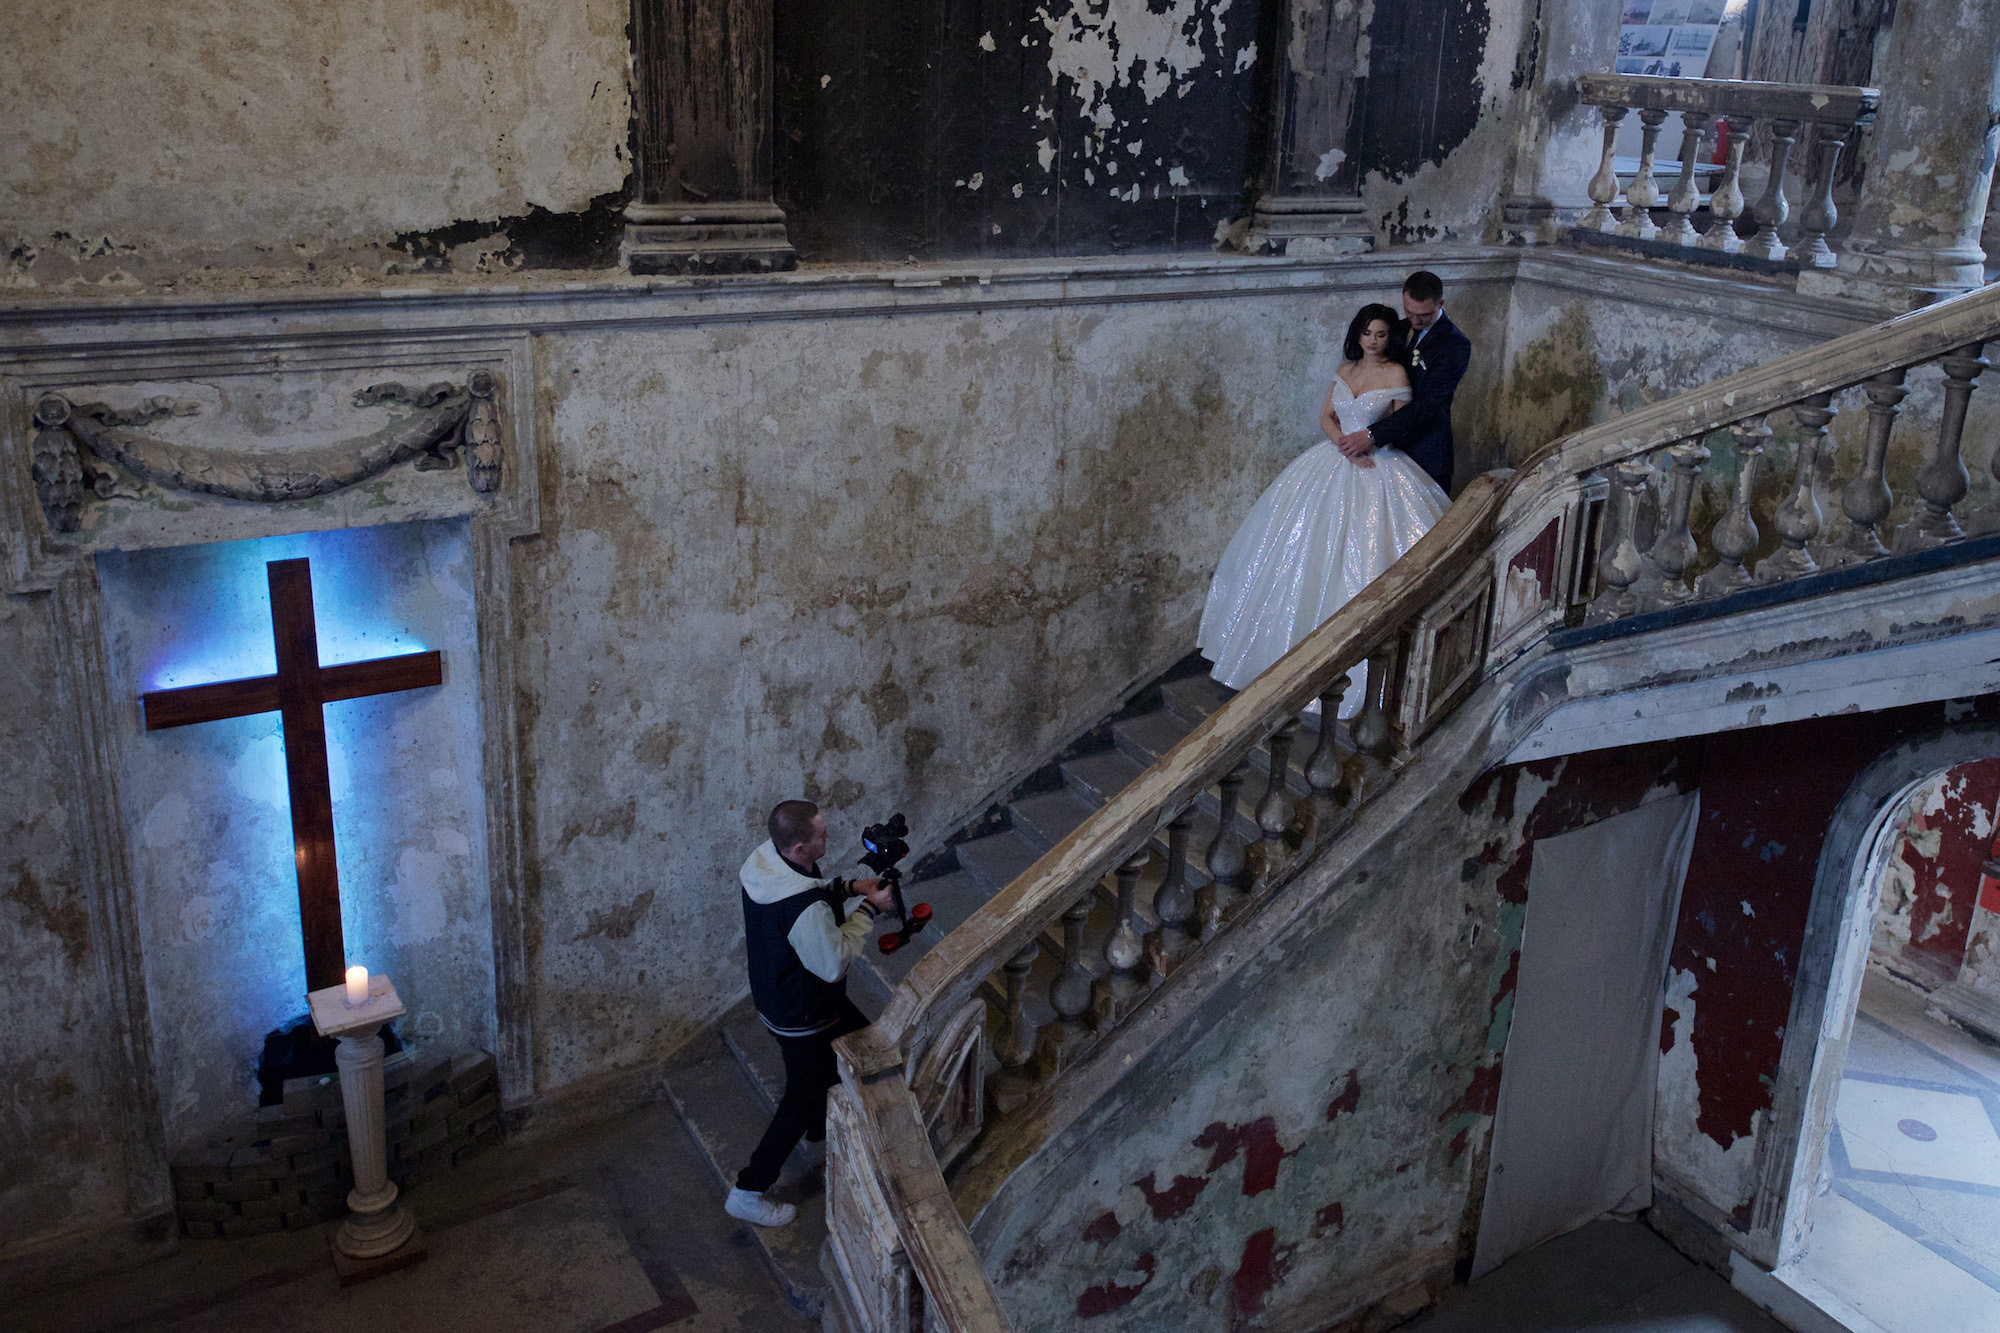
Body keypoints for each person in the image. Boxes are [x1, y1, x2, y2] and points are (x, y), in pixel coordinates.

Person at [1197, 301, 1448, 714]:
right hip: (1335, 459)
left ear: (1390, 338)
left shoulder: (1396, 373)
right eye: (1368, 333)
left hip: (1377, 464)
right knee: (1295, 552)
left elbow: (1402, 424)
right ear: (1358, 334)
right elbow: (1327, 416)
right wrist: (1344, 445)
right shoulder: (1346, 370)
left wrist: (1368, 440)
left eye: (1382, 334)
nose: (1374, 340)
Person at [725, 799, 894, 1227]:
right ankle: (748, 1191)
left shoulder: (767, 863)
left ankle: (822, 1129)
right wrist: (871, 910)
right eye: (821, 835)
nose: (828, 837)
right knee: (802, 1097)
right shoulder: (803, 908)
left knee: (866, 1045)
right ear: (800, 846)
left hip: (778, 997)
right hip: (805, 1012)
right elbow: (833, 960)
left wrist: (854, 888)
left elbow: (807, 889)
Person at [1337, 269, 1470, 495]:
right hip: (1384, 451)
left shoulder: (1454, 345)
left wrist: (1372, 435)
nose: (1415, 320)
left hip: (1425, 448)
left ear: (1440, 304)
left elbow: (1428, 404)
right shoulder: (1397, 329)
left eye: (1424, 315)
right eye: (1410, 312)